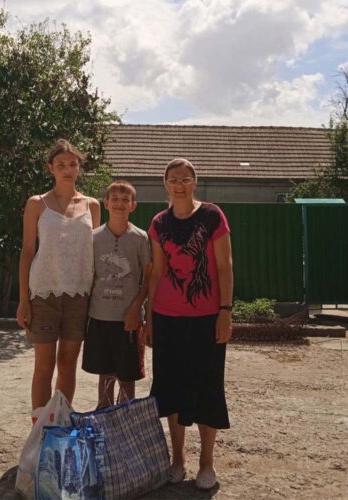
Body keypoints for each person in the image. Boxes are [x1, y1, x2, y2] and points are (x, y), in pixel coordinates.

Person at [145, 158, 233, 491]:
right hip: (167, 318)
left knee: (208, 388)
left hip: (207, 318)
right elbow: (156, 272)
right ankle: (177, 460)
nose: (179, 184)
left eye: (185, 178)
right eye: (173, 179)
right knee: (171, 388)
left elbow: (225, 266)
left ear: (194, 182)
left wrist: (225, 310)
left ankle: (206, 464)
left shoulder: (212, 216)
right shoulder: (159, 222)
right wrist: (149, 317)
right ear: (165, 184)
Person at [16, 139, 100, 423]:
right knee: (43, 366)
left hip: (79, 295)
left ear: (79, 168)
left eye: (73, 164)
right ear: (50, 168)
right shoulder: (36, 204)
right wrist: (23, 300)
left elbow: (95, 253)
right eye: (61, 164)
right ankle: (40, 434)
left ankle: (60, 427)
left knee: (67, 365)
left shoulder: (92, 205)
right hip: (43, 294)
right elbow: (28, 252)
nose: (67, 169)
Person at [82, 180, 151, 406]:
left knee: (128, 374)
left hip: (128, 319)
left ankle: (125, 416)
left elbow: (149, 277)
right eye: (115, 200)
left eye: (125, 200)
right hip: (100, 315)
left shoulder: (140, 238)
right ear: (106, 203)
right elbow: (88, 276)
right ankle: (104, 415)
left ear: (133, 205)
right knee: (105, 372)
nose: (119, 204)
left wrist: (136, 308)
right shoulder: (93, 237)